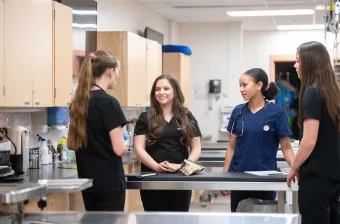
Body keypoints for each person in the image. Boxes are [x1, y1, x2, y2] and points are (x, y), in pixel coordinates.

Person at [220, 68, 296, 212]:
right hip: (238, 177)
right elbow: (231, 146)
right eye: (240, 85)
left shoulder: (277, 112)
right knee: (239, 219)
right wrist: (225, 176)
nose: (241, 89)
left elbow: (286, 148)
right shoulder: (238, 111)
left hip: (266, 178)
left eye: (244, 85)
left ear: (259, 85)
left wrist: (295, 170)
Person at [67, 50, 128, 211]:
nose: (118, 77)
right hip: (109, 184)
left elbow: (71, 144)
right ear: (110, 71)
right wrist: (126, 146)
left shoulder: (78, 102)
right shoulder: (109, 103)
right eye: (118, 71)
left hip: (88, 184)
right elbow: (119, 148)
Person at [287, 41, 340, 224]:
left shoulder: (312, 92)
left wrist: (293, 167)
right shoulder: (332, 93)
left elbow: (309, 140)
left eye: (298, 60)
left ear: (310, 62)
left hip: (316, 176)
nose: (295, 65)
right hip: (333, 176)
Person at [133, 74, 202, 212]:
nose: (161, 92)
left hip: (180, 178)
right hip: (153, 178)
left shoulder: (186, 117)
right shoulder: (145, 118)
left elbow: (196, 147)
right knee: (154, 219)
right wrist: (156, 167)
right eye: (158, 89)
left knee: (179, 218)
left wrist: (184, 166)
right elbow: (139, 148)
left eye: (166, 88)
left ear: (175, 91)